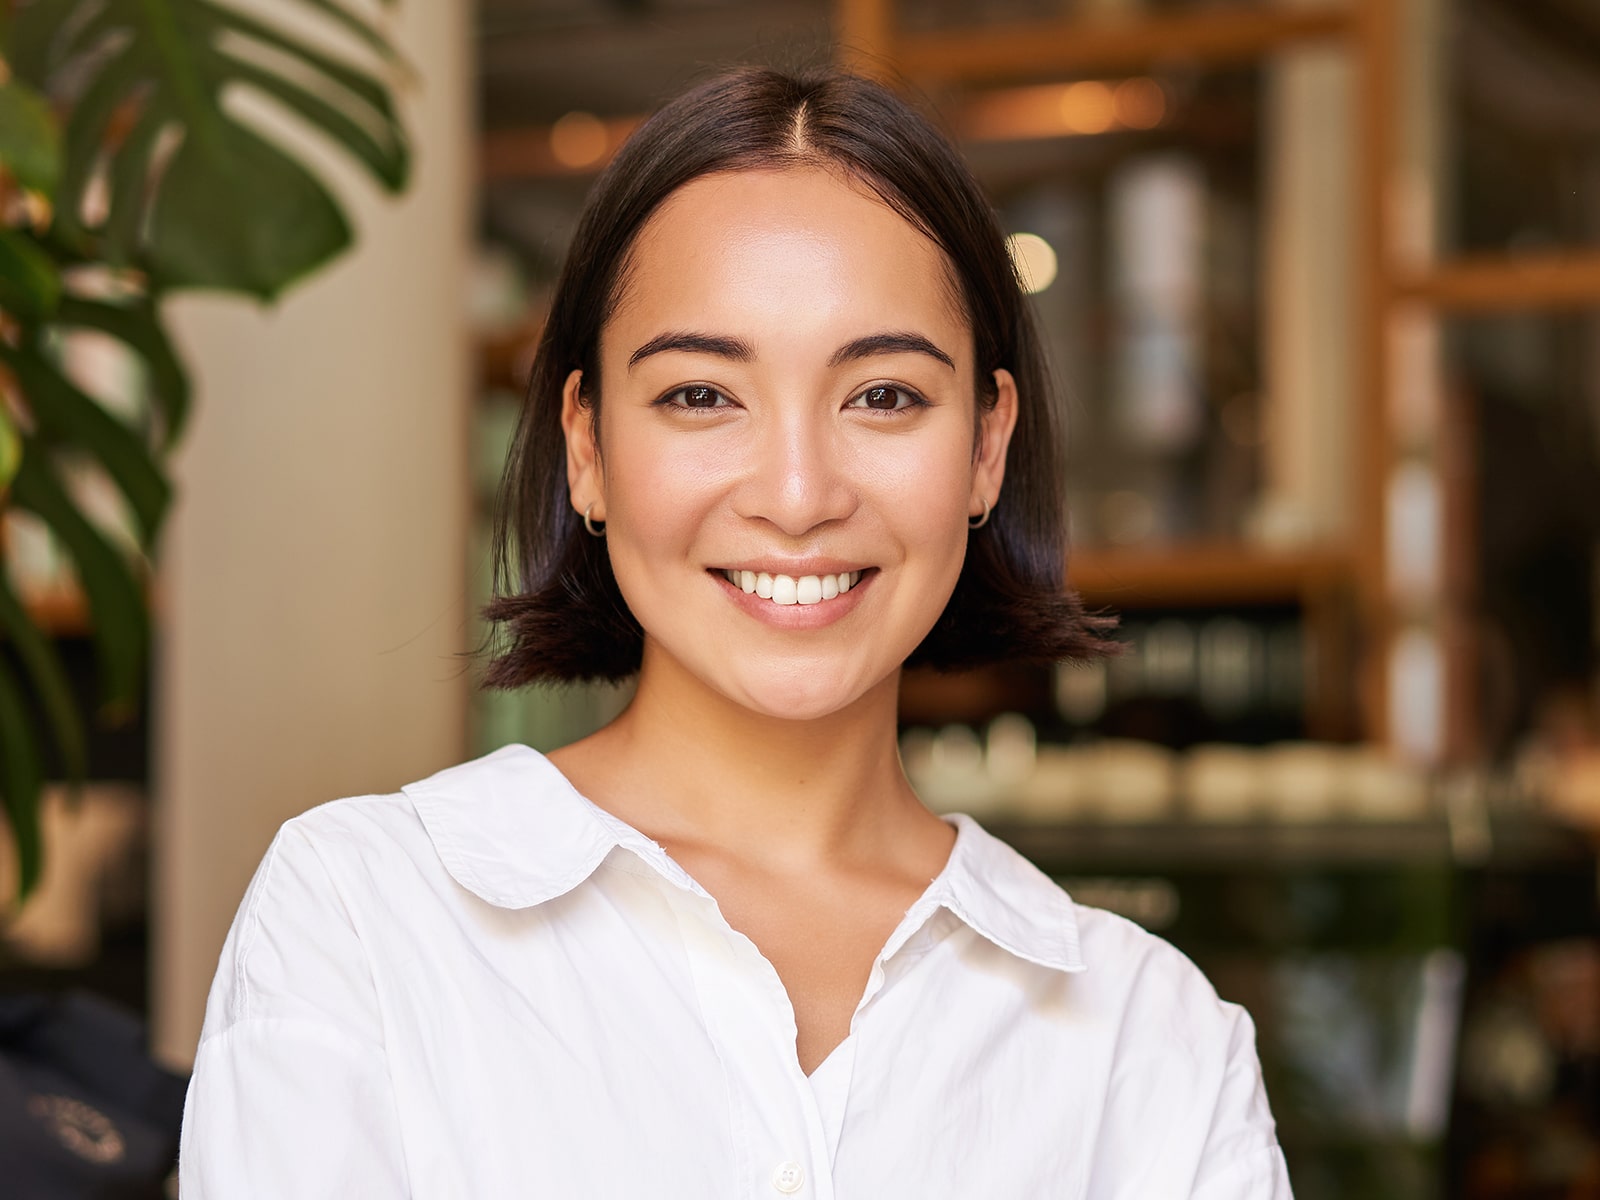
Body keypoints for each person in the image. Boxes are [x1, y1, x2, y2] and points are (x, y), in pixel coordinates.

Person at [178, 66, 1292, 1197]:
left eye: (885, 396)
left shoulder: (1150, 1045)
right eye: (701, 396)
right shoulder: (367, 923)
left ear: (987, 448)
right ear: (587, 445)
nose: (798, 494)